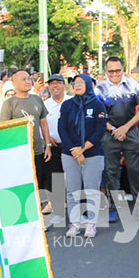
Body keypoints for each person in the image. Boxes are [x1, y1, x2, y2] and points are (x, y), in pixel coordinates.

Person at [96, 57, 139, 222]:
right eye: (111, 71)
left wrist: (125, 128)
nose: (114, 74)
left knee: (135, 171)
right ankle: (115, 208)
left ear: (123, 69)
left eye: (117, 70)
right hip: (109, 133)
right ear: (106, 72)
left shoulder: (133, 85)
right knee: (111, 172)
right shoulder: (100, 89)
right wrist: (114, 130)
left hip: (131, 131)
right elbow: (99, 115)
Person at [57, 74, 106, 238]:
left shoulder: (98, 104)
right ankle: (75, 223)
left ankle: (91, 224)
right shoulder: (67, 105)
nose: (77, 86)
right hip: (69, 154)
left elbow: (100, 130)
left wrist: (82, 150)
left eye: (80, 83)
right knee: (72, 190)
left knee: (91, 190)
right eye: (74, 83)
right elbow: (62, 129)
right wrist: (74, 150)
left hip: (93, 153)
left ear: (88, 84)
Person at [0, 69, 53, 190]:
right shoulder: (9, 104)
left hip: (38, 151)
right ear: (14, 83)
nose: (28, 81)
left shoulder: (37, 99)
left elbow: (44, 124)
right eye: (23, 79)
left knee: (38, 184)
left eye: (29, 78)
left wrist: (48, 145)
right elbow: (2, 130)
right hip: (18, 153)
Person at [44, 74, 68, 201]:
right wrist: (47, 138)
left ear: (64, 85)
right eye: (52, 83)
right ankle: (59, 206)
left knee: (72, 176)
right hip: (53, 145)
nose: (55, 86)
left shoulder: (72, 101)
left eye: (58, 83)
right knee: (56, 177)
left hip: (70, 145)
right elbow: (40, 125)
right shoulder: (45, 104)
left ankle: (75, 204)